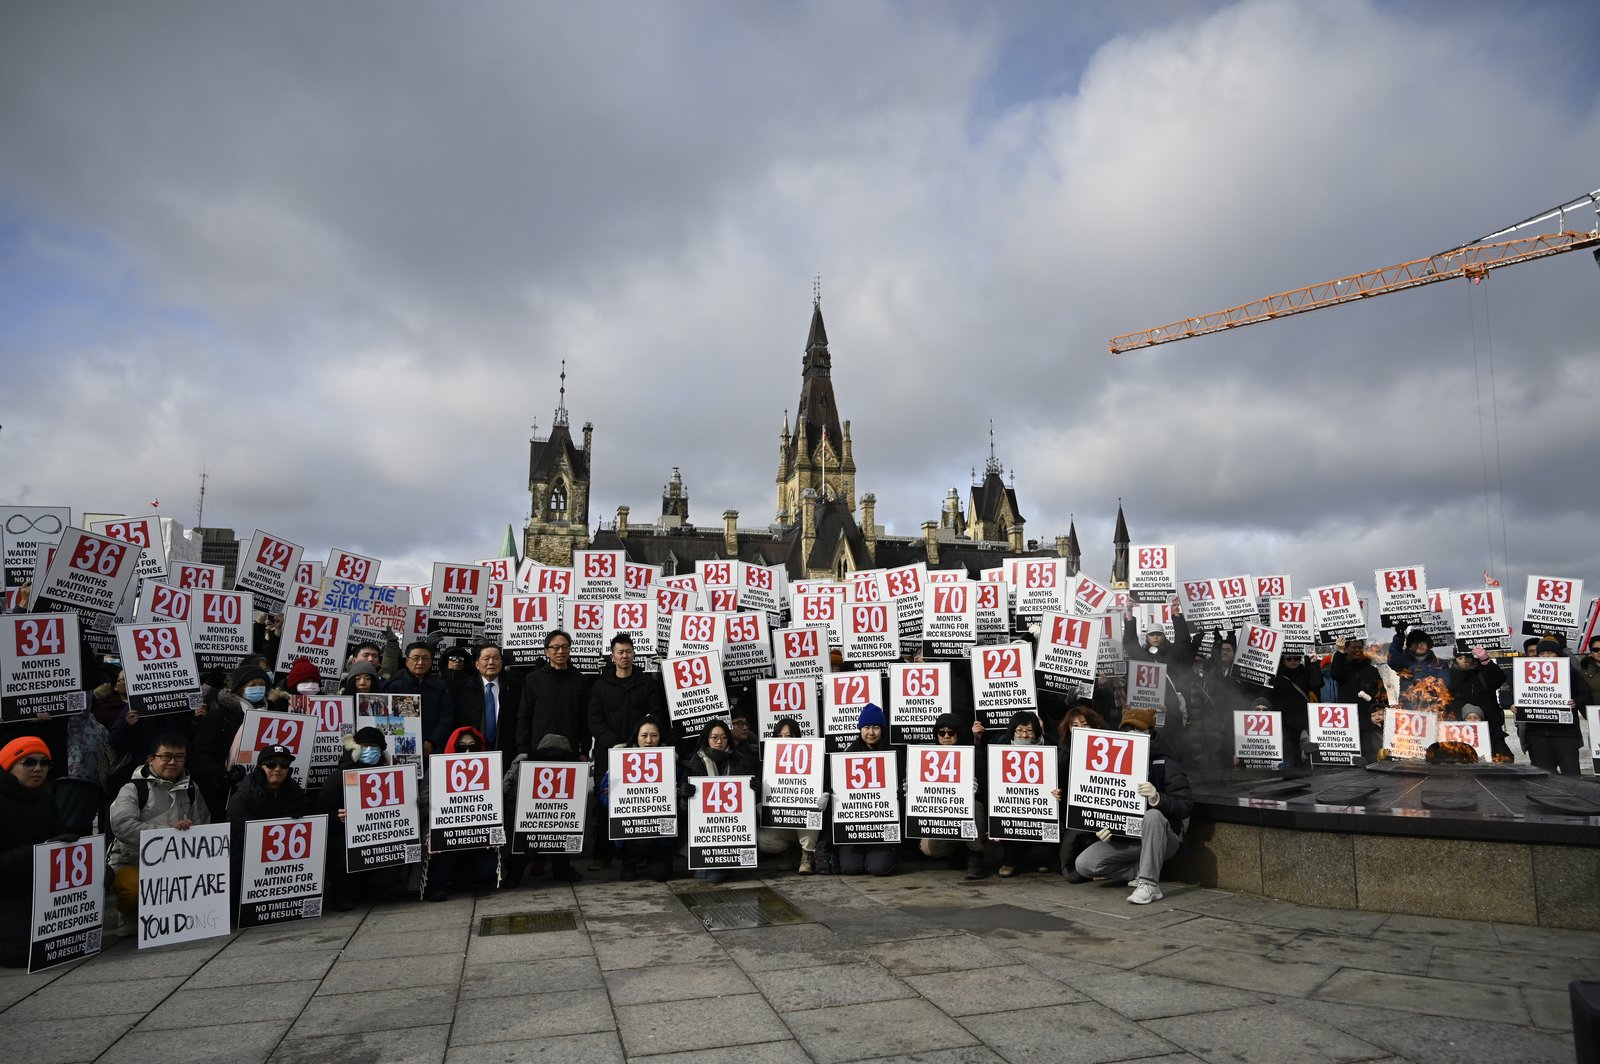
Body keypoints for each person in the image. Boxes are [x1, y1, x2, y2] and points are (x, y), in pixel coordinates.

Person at [1072, 707, 1193, 904]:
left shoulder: (1165, 763)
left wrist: (1158, 798)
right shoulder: (1112, 762)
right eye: (1127, 729)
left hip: (1163, 837)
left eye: (1138, 729)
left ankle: (1149, 884)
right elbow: (1107, 800)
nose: (1133, 734)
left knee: (1153, 816)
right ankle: (1140, 870)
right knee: (1084, 864)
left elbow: (1186, 805)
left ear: (1150, 732)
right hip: (1129, 838)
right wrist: (1105, 826)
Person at [107, 734, 209, 933]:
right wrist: (167, 834)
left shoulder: (191, 789)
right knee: (132, 889)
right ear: (151, 759)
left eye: (179, 757)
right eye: (166, 756)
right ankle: (128, 916)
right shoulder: (133, 789)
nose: (173, 762)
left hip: (177, 862)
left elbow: (203, 825)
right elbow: (122, 826)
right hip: (133, 861)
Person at [585, 634, 663, 871]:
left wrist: (635, 743)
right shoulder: (600, 685)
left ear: (634, 655)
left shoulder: (647, 683)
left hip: (641, 755)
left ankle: (638, 853)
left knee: (639, 803)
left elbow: (655, 714)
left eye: (629, 652)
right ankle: (603, 855)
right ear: (612, 656)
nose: (625, 656)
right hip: (607, 754)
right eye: (620, 652)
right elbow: (593, 719)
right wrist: (614, 743)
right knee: (607, 800)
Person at [316, 726, 403, 911]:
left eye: (375, 747)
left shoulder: (391, 776)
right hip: (345, 839)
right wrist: (336, 818)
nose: (370, 751)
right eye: (365, 746)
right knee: (340, 847)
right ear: (355, 748)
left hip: (379, 837)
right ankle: (342, 892)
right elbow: (320, 816)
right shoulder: (337, 778)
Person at [0, 737, 70, 967]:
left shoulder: (45, 799)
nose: (38, 768)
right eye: (28, 762)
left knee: (62, 944)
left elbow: (58, 841)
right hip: (7, 891)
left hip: (36, 887)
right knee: (18, 953)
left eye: (44, 763)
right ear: (9, 766)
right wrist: (39, 851)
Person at [424, 726, 507, 900]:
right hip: (446, 837)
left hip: (477, 836)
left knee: (488, 869)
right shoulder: (438, 768)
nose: (468, 751)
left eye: (473, 746)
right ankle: (438, 883)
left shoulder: (490, 769)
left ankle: (460, 878)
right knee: (439, 873)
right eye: (461, 747)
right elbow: (422, 799)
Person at [191, 663, 271, 820]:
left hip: (260, 794)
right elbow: (202, 754)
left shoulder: (271, 717)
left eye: (262, 685)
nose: (258, 688)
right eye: (253, 684)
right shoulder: (219, 716)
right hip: (223, 794)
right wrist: (222, 776)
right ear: (240, 687)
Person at [600, 716, 675, 882]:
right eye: (644, 735)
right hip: (631, 832)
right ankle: (629, 861)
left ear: (661, 737)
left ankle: (651, 858)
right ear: (636, 737)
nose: (649, 740)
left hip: (661, 834)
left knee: (661, 875)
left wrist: (678, 794)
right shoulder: (620, 759)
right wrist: (612, 797)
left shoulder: (671, 761)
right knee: (639, 842)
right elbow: (603, 798)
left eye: (654, 735)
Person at [225, 743, 306, 894]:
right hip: (248, 859)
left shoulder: (296, 793)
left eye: (284, 764)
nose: (278, 768)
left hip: (285, 864)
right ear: (260, 768)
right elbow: (237, 833)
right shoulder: (242, 796)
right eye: (271, 764)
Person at [916, 711, 985, 880]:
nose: (946, 736)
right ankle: (957, 849)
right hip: (942, 812)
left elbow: (987, 792)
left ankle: (975, 854)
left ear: (958, 734)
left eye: (951, 732)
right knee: (927, 847)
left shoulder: (975, 755)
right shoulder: (925, 758)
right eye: (941, 732)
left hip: (969, 811)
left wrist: (976, 789)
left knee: (974, 805)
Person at [838, 704, 897, 878]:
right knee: (851, 868)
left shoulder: (894, 753)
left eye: (876, 727)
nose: (871, 732)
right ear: (860, 729)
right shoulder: (848, 753)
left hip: (882, 826)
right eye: (866, 727)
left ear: (882, 729)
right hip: (855, 826)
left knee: (879, 868)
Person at [516, 630, 591, 761]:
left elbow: (585, 719)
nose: (561, 651)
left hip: (570, 752)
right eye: (555, 647)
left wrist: (584, 750)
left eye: (565, 647)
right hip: (538, 751)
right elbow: (524, 716)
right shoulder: (533, 679)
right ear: (546, 651)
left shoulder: (581, 681)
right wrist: (523, 749)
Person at [997, 710, 1054, 878]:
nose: (1024, 734)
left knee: (1044, 857)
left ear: (1037, 731)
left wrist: (1059, 793)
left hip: (1041, 810)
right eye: (1019, 730)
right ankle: (1011, 860)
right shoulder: (1000, 749)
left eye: (1029, 730)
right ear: (1012, 731)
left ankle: (1032, 856)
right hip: (1013, 809)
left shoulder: (1051, 747)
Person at [680, 719, 737, 884]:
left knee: (723, 873)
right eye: (714, 737)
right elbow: (683, 812)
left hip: (731, 830)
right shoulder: (692, 764)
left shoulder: (739, 761)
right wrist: (685, 797)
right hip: (702, 833)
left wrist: (753, 790)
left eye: (724, 737)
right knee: (714, 875)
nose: (719, 742)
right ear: (706, 739)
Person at [1518, 638, 1586, 775]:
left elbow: (1585, 695)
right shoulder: (1525, 674)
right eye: (1541, 654)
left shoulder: (1571, 673)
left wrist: (1576, 702)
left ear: (1558, 654)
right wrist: (1515, 705)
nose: (1545, 657)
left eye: (1549, 653)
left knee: (1571, 776)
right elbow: (1521, 696)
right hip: (1537, 734)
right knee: (1543, 779)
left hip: (1565, 734)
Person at [1059, 700, 1108, 882]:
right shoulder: (1064, 753)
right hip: (1077, 815)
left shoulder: (1108, 748)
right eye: (1075, 725)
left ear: (1094, 726)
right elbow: (1060, 786)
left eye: (1085, 725)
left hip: (1103, 813)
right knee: (1071, 872)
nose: (1079, 728)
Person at [383, 642, 457, 754]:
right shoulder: (394, 686)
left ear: (431, 661)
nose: (420, 662)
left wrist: (432, 741)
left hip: (432, 748)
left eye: (425, 658)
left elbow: (446, 716)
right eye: (416, 658)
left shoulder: (440, 687)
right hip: (399, 746)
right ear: (407, 661)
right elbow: (385, 718)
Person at [1447, 645, 1511, 760]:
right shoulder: (1449, 675)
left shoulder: (1482, 671)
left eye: (1467, 657)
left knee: (1500, 758)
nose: (1464, 660)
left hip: (1489, 725)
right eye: (1460, 658)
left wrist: (1486, 661)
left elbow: (1500, 678)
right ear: (1455, 658)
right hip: (1459, 728)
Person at [1328, 637, 1386, 762]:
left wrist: (1380, 710)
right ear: (1347, 648)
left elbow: (1381, 691)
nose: (1357, 650)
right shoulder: (1342, 668)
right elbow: (1334, 674)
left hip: (1367, 716)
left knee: (1371, 750)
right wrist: (1339, 651)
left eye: (1359, 647)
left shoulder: (1372, 669)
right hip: (1348, 718)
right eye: (1353, 647)